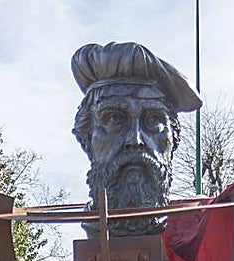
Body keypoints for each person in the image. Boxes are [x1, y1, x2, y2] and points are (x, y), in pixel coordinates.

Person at [71, 41, 202, 237]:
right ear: (87, 139)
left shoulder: (195, 244)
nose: (136, 139)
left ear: (172, 140)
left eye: (154, 120)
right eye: (114, 119)